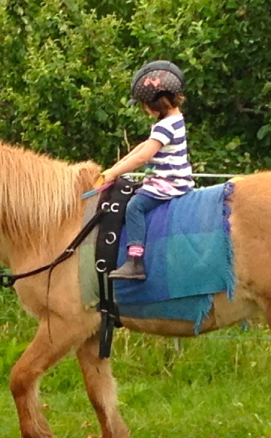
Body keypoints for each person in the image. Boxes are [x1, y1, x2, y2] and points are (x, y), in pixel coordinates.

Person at [98, 60, 194, 281]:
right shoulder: (174, 119)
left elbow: (144, 156)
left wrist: (113, 174)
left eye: (144, 105)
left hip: (168, 183)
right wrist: (115, 168)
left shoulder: (164, 126)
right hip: (177, 179)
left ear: (155, 103)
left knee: (135, 207)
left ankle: (135, 261)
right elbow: (143, 147)